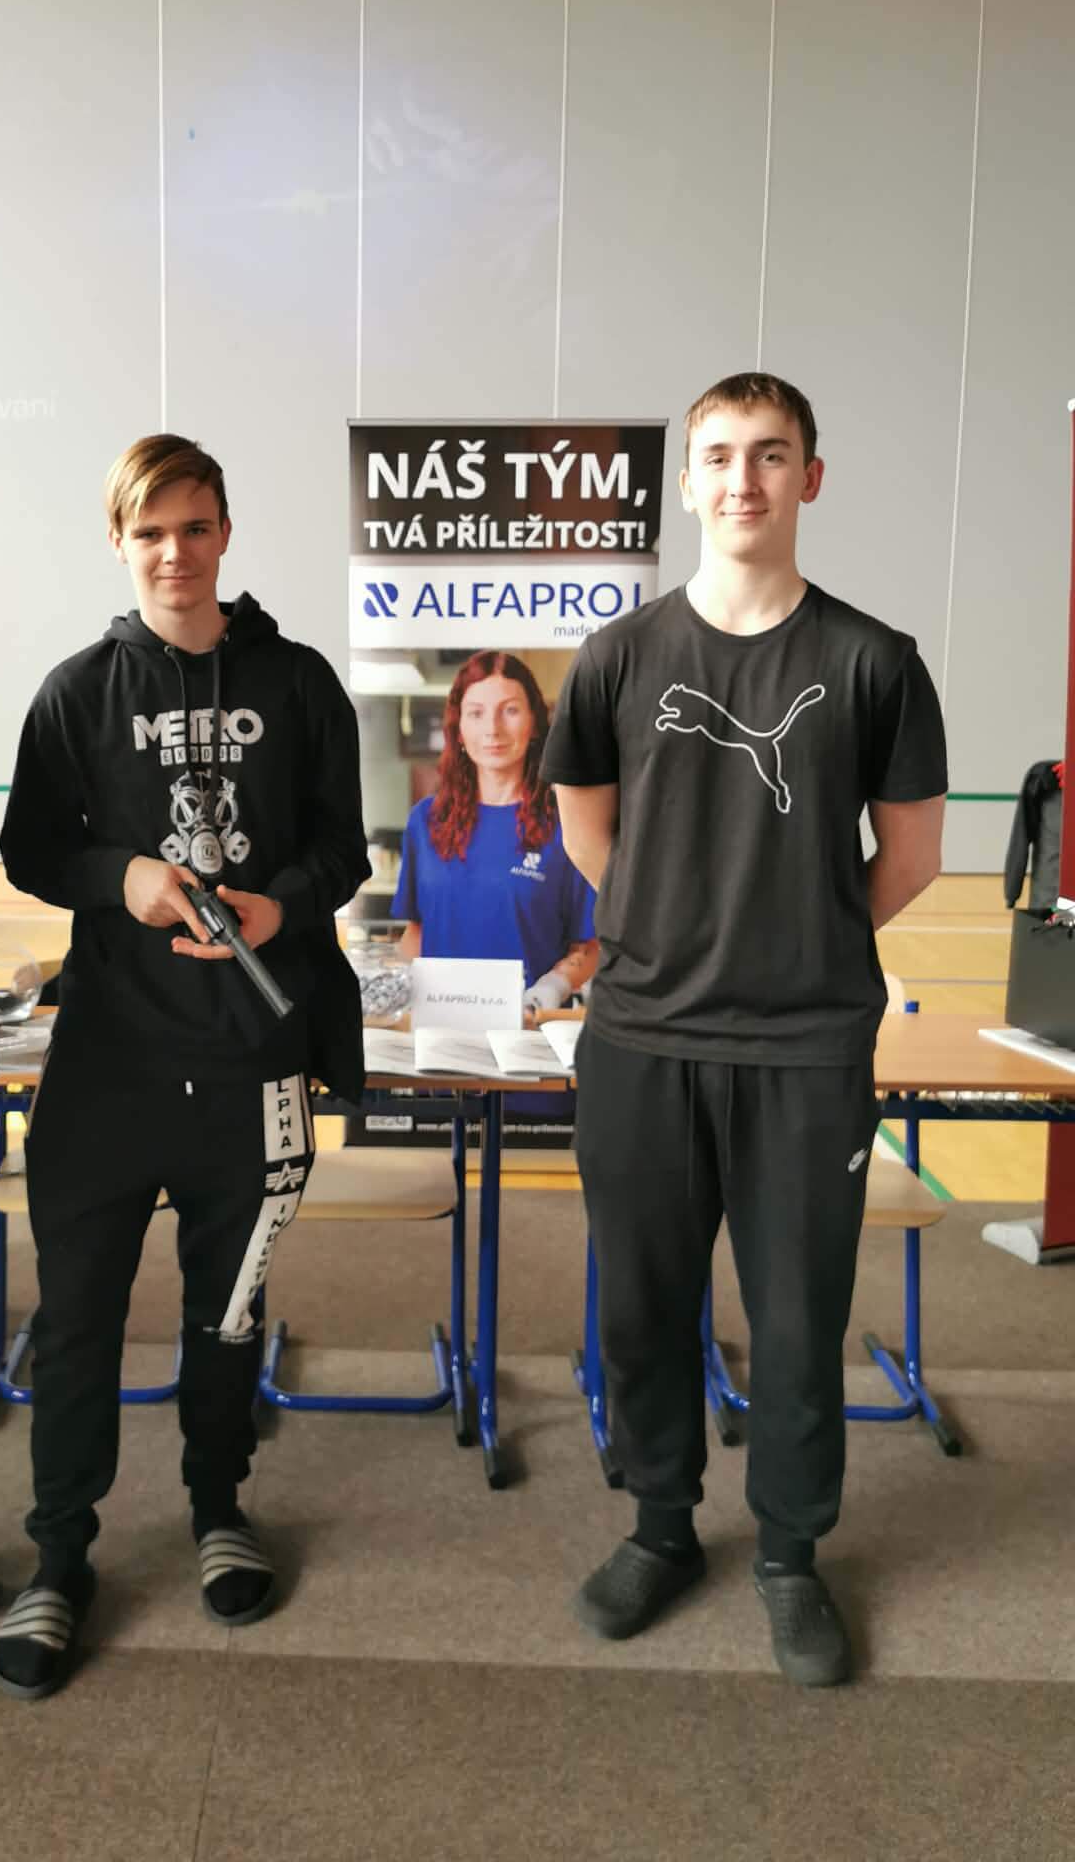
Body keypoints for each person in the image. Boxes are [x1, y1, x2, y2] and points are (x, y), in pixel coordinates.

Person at [543, 372, 947, 1689]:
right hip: (643, 1040)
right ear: (687, 480)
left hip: (807, 1052)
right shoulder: (619, 656)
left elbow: (912, 859)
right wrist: (670, 929)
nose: (743, 479)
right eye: (718, 455)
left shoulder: (875, 661)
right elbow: (588, 833)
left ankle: (788, 1553)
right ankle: (660, 1526)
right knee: (644, 1307)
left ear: (809, 478)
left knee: (796, 1319)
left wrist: (803, 936)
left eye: (771, 456)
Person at [0, 433, 368, 1699]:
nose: (174, 552)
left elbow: (344, 848)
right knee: (77, 1321)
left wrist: (281, 903)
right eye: (149, 531)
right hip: (107, 1068)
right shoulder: (78, 691)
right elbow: (33, 848)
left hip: (254, 1062)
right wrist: (126, 876)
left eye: (195, 527)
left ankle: (219, 1503)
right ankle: (60, 1554)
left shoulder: (300, 681)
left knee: (229, 1311)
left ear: (225, 533)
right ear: (119, 540)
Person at [393, 649, 597, 1015]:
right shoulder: (425, 821)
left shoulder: (567, 821)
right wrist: (399, 985)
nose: (492, 729)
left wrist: (550, 989)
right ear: (458, 727)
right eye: (476, 713)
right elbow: (416, 933)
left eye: (510, 710)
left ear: (534, 723)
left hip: (529, 1032)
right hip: (439, 1029)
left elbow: (588, 946)